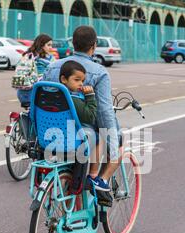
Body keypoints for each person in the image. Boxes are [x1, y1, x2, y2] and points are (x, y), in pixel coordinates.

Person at [43, 26, 121, 204]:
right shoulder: (99, 72)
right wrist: (113, 143)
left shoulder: (52, 67)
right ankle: (96, 179)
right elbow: (104, 112)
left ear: (73, 43)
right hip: (80, 134)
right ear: (93, 46)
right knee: (109, 137)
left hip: (49, 130)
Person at [59, 60, 110, 192]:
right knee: (101, 137)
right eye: (77, 80)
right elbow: (89, 116)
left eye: (82, 80)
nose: (81, 84)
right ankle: (93, 175)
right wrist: (90, 97)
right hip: (73, 138)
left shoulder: (56, 95)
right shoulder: (73, 100)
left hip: (55, 137)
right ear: (64, 79)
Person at [17, 34, 56, 108]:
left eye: (51, 45)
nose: (51, 48)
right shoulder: (45, 59)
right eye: (49, 45)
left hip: (22, 94)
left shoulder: (28, 55)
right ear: (41, 45)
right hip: (37, 95)